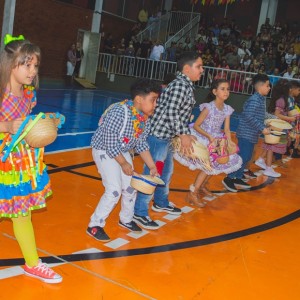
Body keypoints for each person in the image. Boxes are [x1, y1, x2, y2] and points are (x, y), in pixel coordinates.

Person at [0, 35, 62, 283]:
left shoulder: (28, 94)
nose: (32, 70)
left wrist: (45, 120)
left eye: (35, 65)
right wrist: (6, 124)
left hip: (16, 164)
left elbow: (25, 124)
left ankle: (33, 263)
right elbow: (10, 124)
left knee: (21, 212)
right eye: (27, 64)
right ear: (10, 63)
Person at [133, 51, 204, 230]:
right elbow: (172, 112)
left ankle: (160, 202)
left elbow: (179, 114)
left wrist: (184, 132)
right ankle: (140, 212)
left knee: (166, 172)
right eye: (199, 67)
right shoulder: (181, 85)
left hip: (167, 136)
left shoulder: (184, 85)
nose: (202, 70)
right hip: (159, 136)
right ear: (187, 69)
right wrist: (183, 134)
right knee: (152, 174)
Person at [87, 79, 160, 241]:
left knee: (130, 188)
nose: (156, 104)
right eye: (153, 100)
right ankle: (94, 225)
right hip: (104, 150)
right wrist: (123, 163)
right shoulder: (118, 112)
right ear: (139, 99)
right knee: (113, 190)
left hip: (122, 151)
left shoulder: (144, 119)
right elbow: (109, 141)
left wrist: (151, 165)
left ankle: (126, 219)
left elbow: (141, 143)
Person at [174, 79, 242, 207]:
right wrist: (209, 136)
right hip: (204, 137)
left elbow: (227, 129)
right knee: (208, 166)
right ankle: (192, 194)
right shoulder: (209, 107)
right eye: (222, 89)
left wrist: (230, 142)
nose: (226, 91)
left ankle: (202, 186)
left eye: (227, 89)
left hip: (216, 139)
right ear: (215, 91)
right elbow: (197, 126)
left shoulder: (227, 109)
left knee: (219, 163)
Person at [222, 74, 271, 192]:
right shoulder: (255, 99)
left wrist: (272, 119)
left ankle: (237, 177)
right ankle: (228, 178)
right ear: (261, 86)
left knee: (247, 156)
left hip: (252, 134)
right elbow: (248, 116)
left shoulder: (261, 99)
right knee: (242, 157)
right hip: (246, 133)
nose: (269, 88)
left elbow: (262, 115)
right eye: (268, 85)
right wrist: (261, 127)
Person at [255, 80, 294, 176]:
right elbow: (277, 114)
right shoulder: (281, 100)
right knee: (272, 145)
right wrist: (289, 118)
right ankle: (266, 166)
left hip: (277, 125)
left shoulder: (281, 99)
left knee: (271, 145)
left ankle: (262, 160)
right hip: (276, 125)